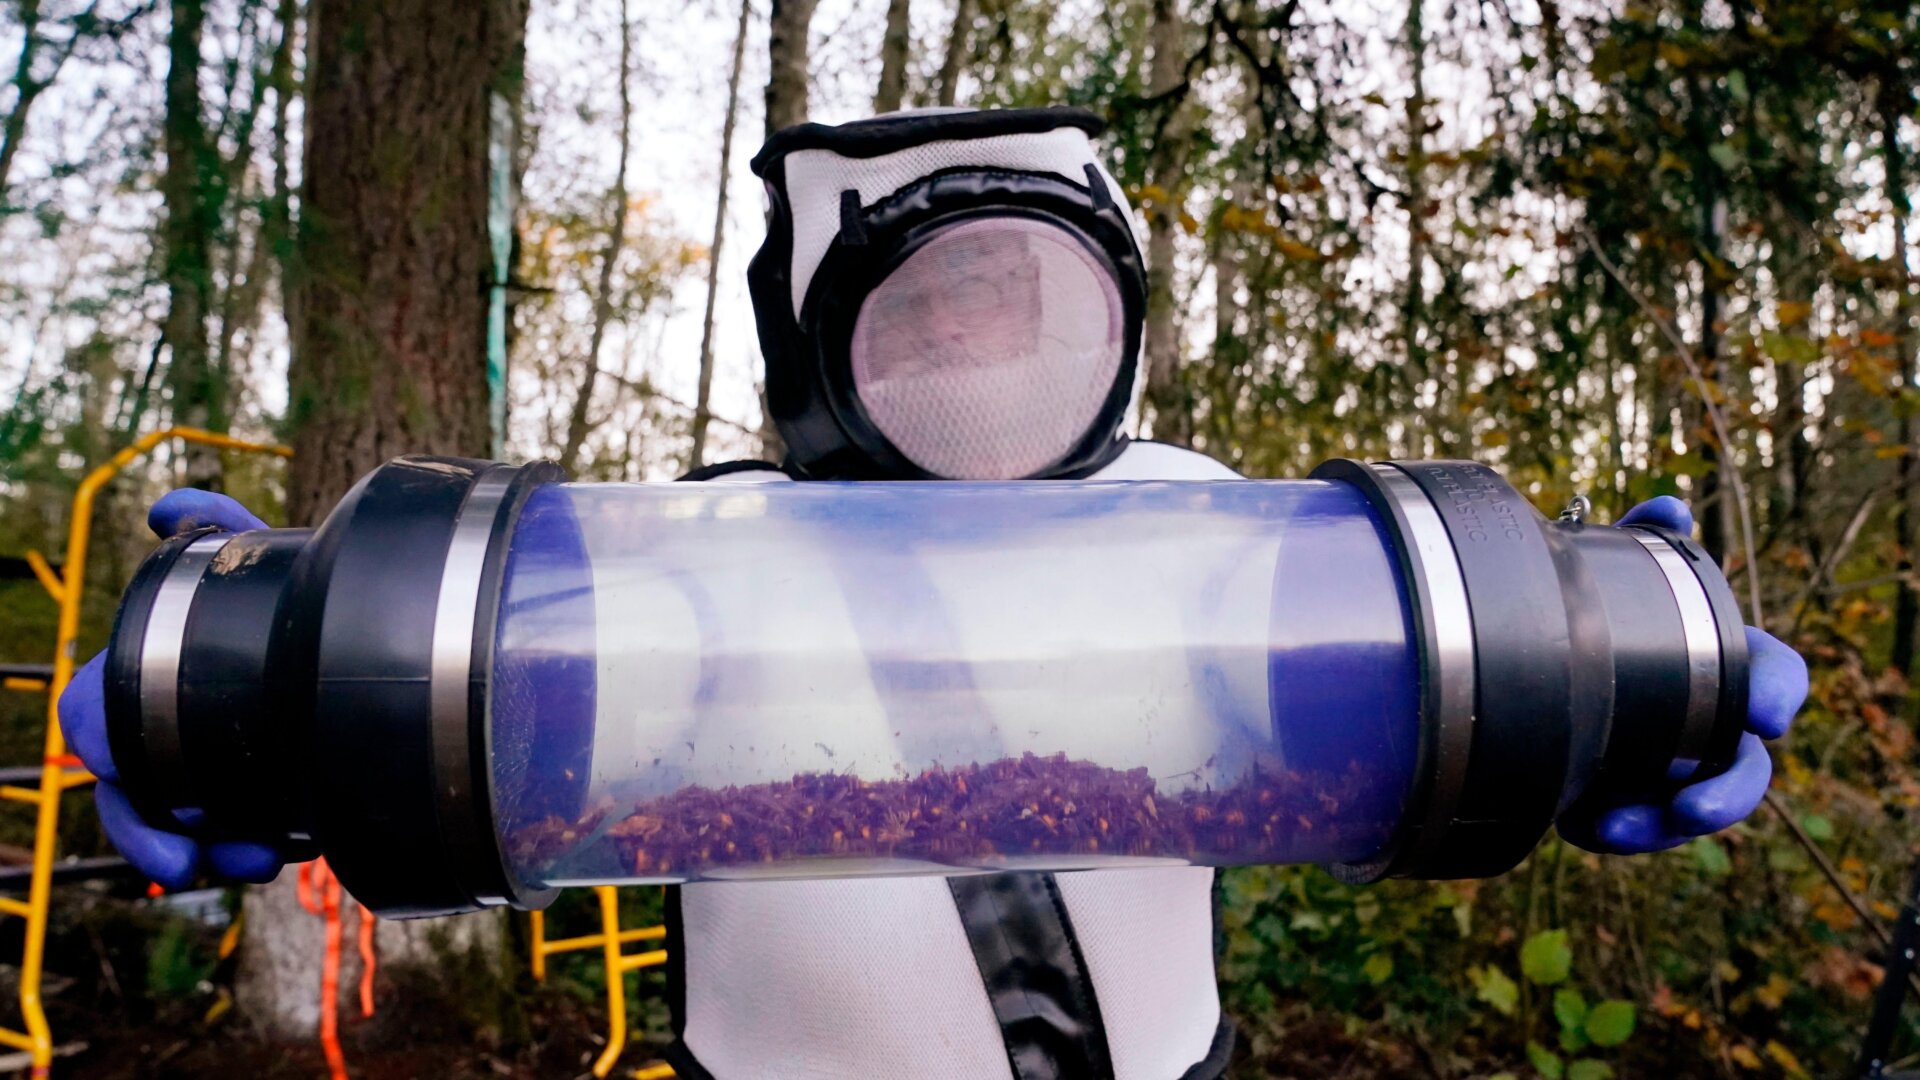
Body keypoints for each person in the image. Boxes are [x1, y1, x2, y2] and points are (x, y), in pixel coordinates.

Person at [60, 107, 1809, 1080]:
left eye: (1015, 294)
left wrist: (1596, 683)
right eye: (930, 301)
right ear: (820, 326)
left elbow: (1410, 706)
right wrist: (268, 694)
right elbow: (490, 753)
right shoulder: (673, 565)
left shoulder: (1238, 533)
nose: (975, 342)